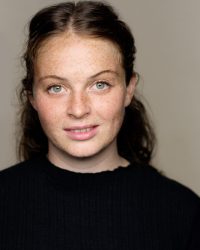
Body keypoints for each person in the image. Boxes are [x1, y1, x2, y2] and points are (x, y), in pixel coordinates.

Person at [0, 1, 199, 249]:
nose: (79, 109)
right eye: (57, 88)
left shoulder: (183, 212)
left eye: (100, 84)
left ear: (129, 89)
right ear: (32, 97)